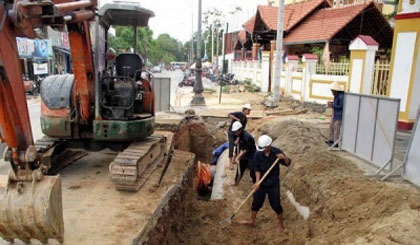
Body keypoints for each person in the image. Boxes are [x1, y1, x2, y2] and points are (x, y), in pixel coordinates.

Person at [240, 135, 291, 233]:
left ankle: (281, 224)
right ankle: (252, 221)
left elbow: (288, 163)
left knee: (276, 205)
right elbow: (257, 168)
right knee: (256, 202)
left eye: (264, 149)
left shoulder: (277, 152)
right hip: (262, 183)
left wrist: (284, 158)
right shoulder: (258, 154)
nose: (262, 150)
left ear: (269, 146)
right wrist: (258, 181)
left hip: (273, 183)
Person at [228, 104, 252, 169]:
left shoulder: (245, 119)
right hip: (231, 132)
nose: (249, 112)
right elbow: (229, 114)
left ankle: (233, 160)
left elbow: (242, 129)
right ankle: (230, 163)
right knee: (231, 146)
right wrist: (237, 119)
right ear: (244, 110)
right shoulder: (239, 114)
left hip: (238, 133)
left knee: (239, 145)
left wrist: (238, 138)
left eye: (250, 111)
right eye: (248, 110)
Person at [327, 82, 344, 147]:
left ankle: (335, 143)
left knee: (337, 129)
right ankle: (331, 140)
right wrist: (332, 103)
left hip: (339, 116)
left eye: (332, 91)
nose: (332, 92)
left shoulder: (341, 96)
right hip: (335, 114)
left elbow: (341, 106)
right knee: (331, 127)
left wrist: (332, 105)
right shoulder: (336, 96)